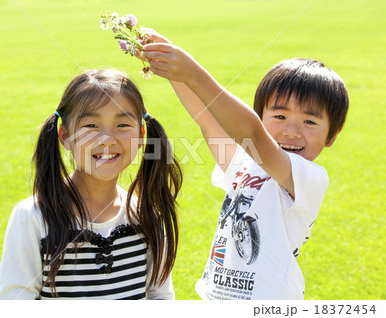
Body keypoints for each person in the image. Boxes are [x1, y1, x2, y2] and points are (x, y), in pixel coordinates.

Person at [141, 32, 348, 299]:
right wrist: (173, 70)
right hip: (218, 299)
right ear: (262, 115)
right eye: (280, 116)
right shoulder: (246, 163)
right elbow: (208, 119)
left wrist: (193, 73)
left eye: (310, 122)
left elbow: (252, 133)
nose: (292, 131)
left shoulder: (309, 177)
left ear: (333, 133)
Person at [0, 69, 182, 300]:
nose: (107, 138)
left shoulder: (146, 215)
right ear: (64, 136)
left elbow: (160, 297)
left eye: (123, 125)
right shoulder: (33, 217)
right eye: (90, 126)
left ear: (142, 134)